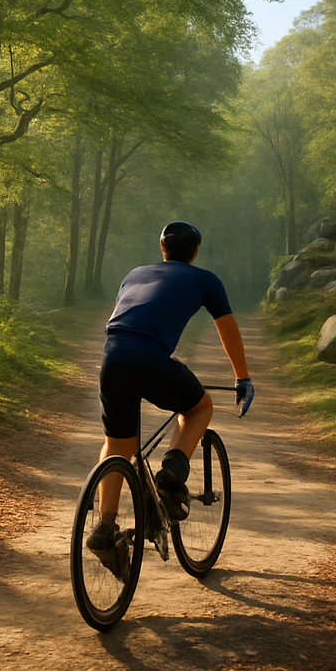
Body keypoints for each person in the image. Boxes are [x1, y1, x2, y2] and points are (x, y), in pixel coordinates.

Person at [88, 220, 255, 556]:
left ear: (161, 248)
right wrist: (242, 377)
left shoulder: (133, 274)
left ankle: (105, 528)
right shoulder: (206, 279)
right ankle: (171, 476)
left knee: (118, 445)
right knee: (198, 407)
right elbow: (228, 329)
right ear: (195, 252)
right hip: (150, 358)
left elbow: (130, 319)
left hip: (112, 358)